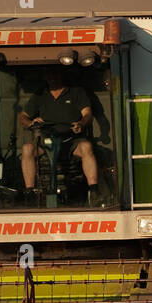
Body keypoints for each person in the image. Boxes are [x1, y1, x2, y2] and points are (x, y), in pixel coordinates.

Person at [19, 68, 100, 205]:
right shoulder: (40, 94)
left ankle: (93, 190)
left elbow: (87, 114)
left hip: (71, 140)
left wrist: (80, 123)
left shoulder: (76, 92)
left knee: (86, 147)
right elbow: (23, 117)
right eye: (49, 74)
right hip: (46, 141)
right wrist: (31, 123)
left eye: (55, 73)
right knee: (27, 148)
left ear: (61, 74)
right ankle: (30, 192)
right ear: (45, 76)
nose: (52, 77)